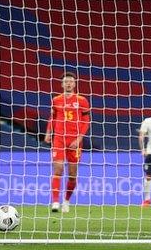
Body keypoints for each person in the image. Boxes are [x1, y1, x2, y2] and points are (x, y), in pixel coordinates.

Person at [45, 72, 91, 213]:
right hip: (59, 138)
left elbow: (86, 121)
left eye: (71, 81)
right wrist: (48, 133)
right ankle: (55, 202)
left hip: (74, 141)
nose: (68, 84)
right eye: (66, 81)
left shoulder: (82, 100)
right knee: (58, 169)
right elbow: (52, 117)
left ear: (75, 84)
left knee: (72, 174)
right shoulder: (56, 100)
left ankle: (66, 201)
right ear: (62, 84)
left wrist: (79, 138)